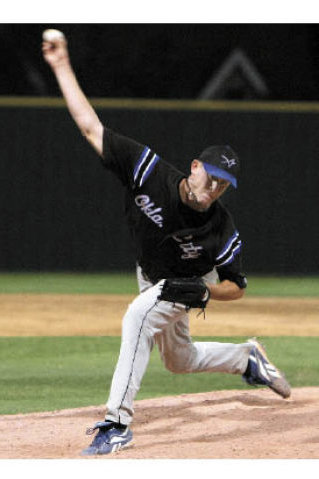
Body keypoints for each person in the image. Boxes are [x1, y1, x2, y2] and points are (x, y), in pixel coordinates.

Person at [42, 31, 291, 456]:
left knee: (137, 318)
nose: (212, 188)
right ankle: (246, 359)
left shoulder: (220, 226)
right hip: (152, 275)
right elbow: (89, 127)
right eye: (209, 176)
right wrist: (61, 65)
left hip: (183, 284)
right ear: (194, 167)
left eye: (222, 185)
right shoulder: (147, 169)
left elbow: (238, 286)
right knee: (180, 361)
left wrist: (205, 291)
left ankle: (118, 422)